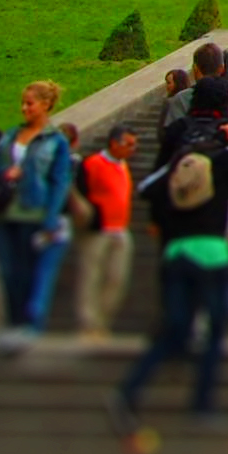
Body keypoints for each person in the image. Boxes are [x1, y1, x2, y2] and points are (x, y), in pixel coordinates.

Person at [112, 83, 228, 449]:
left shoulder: (177, 134)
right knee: (216, 330)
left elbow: (151, 184)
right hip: (214, 248)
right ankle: (201, 403)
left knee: (175, 324)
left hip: (177, 246)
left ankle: (130, 391)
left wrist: (160, 213)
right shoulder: (226, 143)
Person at [0, 80, 74, 341]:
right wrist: (5, 173)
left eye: (30, 103)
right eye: (23, 103)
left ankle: (26, 324)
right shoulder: (10, 136)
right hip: (5, 211)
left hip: (33, 211)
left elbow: (60, 181)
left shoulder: (55, 141)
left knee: (26, 270)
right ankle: (12, 322)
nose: (24, 108)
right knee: (6, 271)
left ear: (46, 105)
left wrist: (51, 217)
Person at [71, 126, 138, 340]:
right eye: (128, 143)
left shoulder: (123, 165)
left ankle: (102, 321)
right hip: (98, 229)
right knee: (91, 277)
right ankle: (88, 325)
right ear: (113, 143)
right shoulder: (93, 163)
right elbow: (80, 191)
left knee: (116, 278)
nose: (132, 149)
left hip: (120, 228)